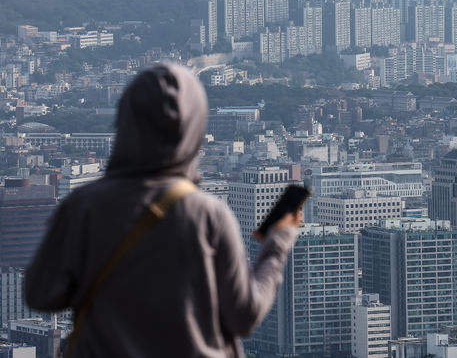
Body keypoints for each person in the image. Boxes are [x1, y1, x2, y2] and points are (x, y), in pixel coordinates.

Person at [24, 63, 301, 357]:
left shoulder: (83, 206)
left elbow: (41, 293)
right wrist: (277, 245)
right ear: (193, 128)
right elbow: (243, 315)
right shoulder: (208, 214)